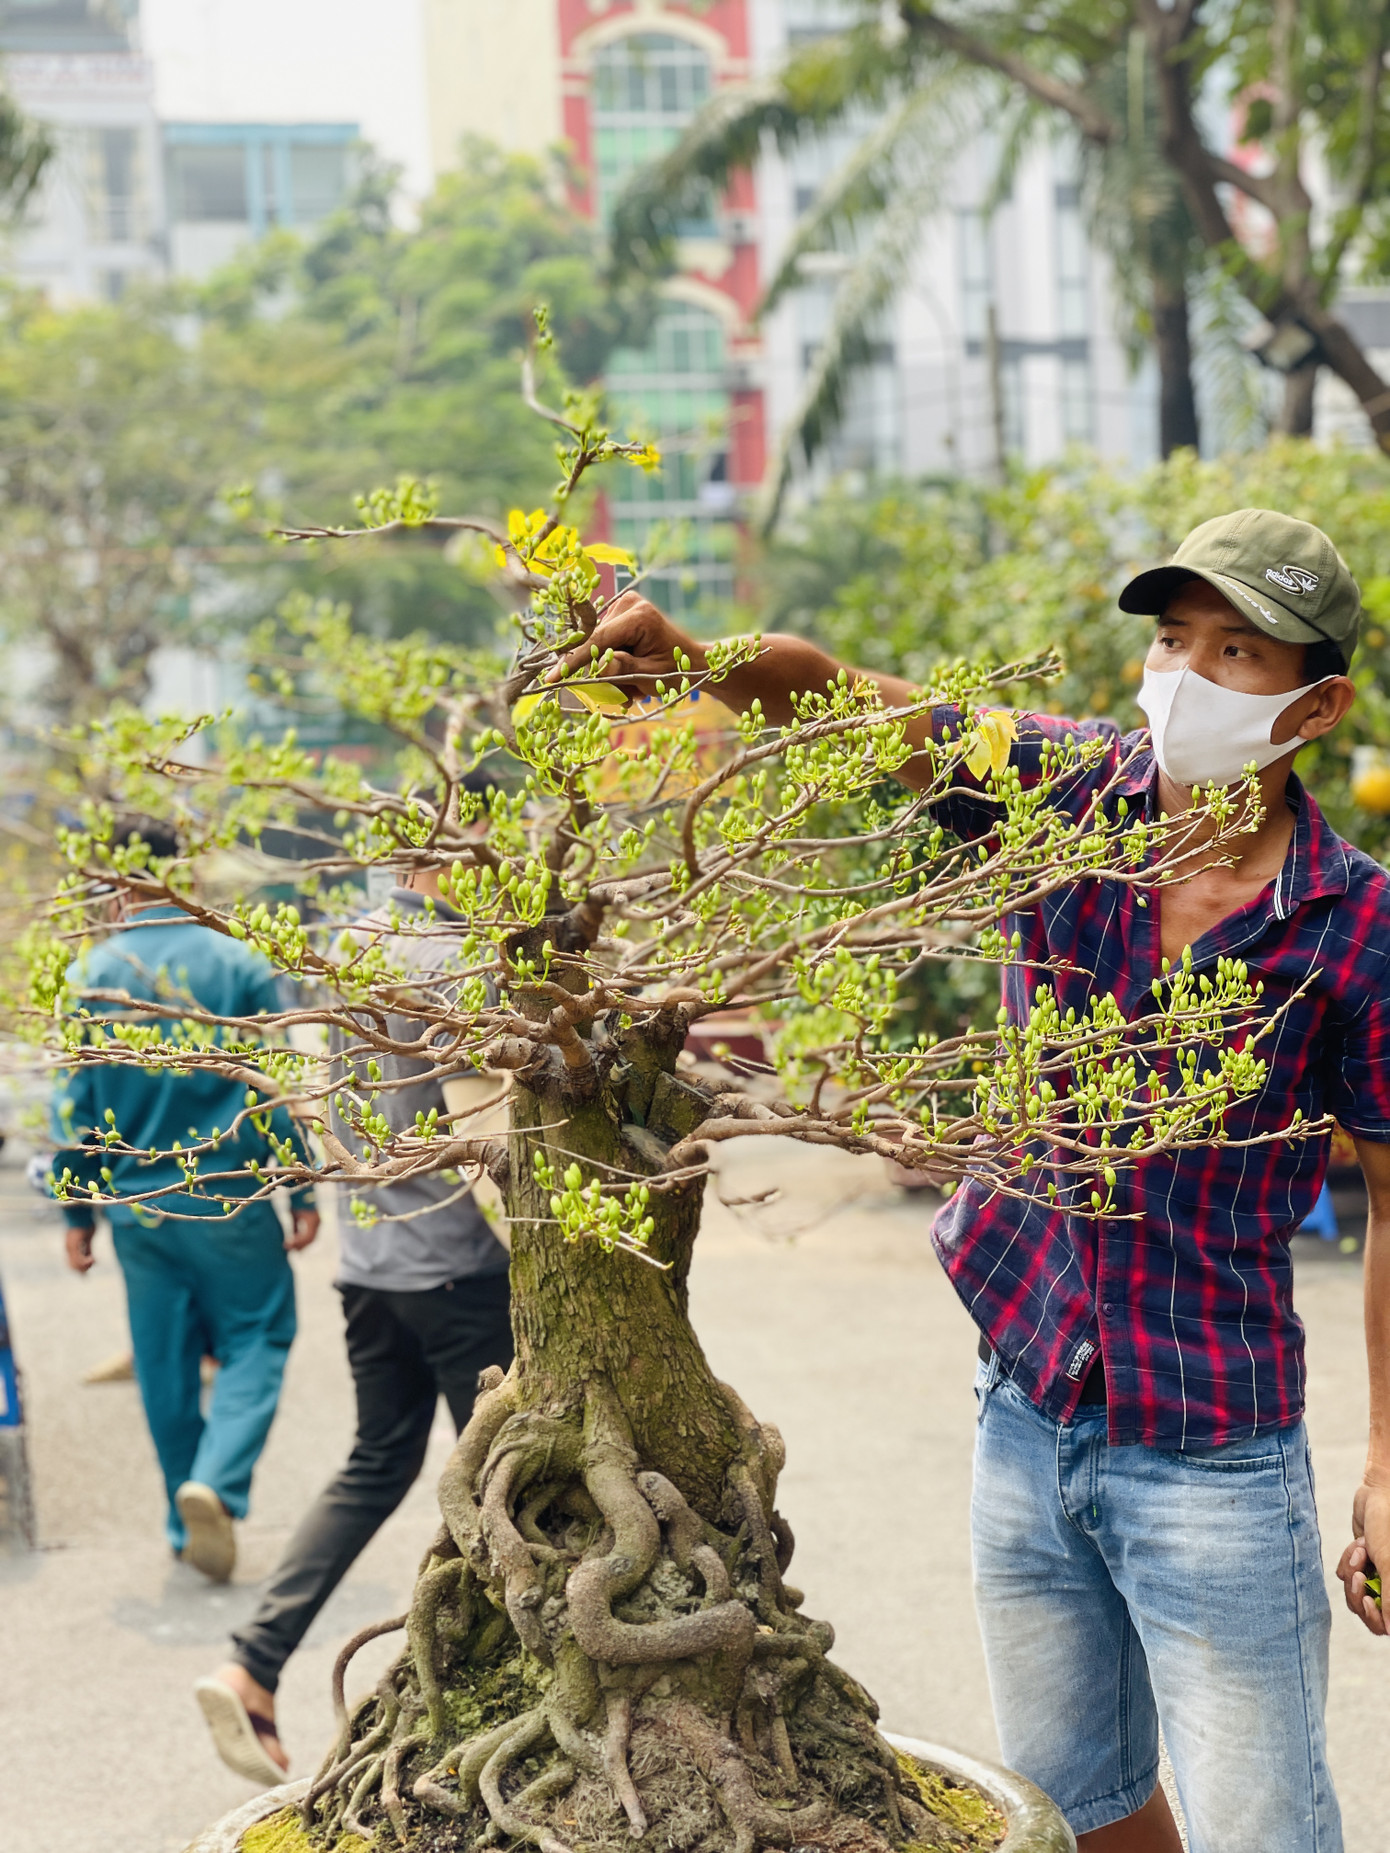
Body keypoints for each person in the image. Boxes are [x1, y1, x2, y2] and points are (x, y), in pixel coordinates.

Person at [561, 509, 1390, 1853]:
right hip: (1024, 1402)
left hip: (1212, 1442)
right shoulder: (1061, 792)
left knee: (1265, 1825)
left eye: (1235, 651)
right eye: (1172, 638)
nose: (1184, 674)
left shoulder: (1357, 925)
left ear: (1314, 702)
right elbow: (851, 705)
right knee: (1077, 1796)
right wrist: (696, 658)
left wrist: (1384, 1463)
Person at [194, 860, 513, 1787]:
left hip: (368, 1266)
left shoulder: (349, 941)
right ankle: (486, 1707)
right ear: (450, 851)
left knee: (380, 1461)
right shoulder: (455, 954)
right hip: (454, 1268)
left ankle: (250, 1662)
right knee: (508, 1487)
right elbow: (486, 1116)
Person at [53, 824, 320, 1584]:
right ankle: (219, 1480)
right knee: (259, 1334)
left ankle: (182, 1515)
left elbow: (74, 1110)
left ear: (120, 883)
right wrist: (298, 1183)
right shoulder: (239, 961)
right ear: (187, 874)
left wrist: (77, 1212)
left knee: (164, 1361)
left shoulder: (91, 975)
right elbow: (273, 1083)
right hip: (230, 1195)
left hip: (139, 1208)